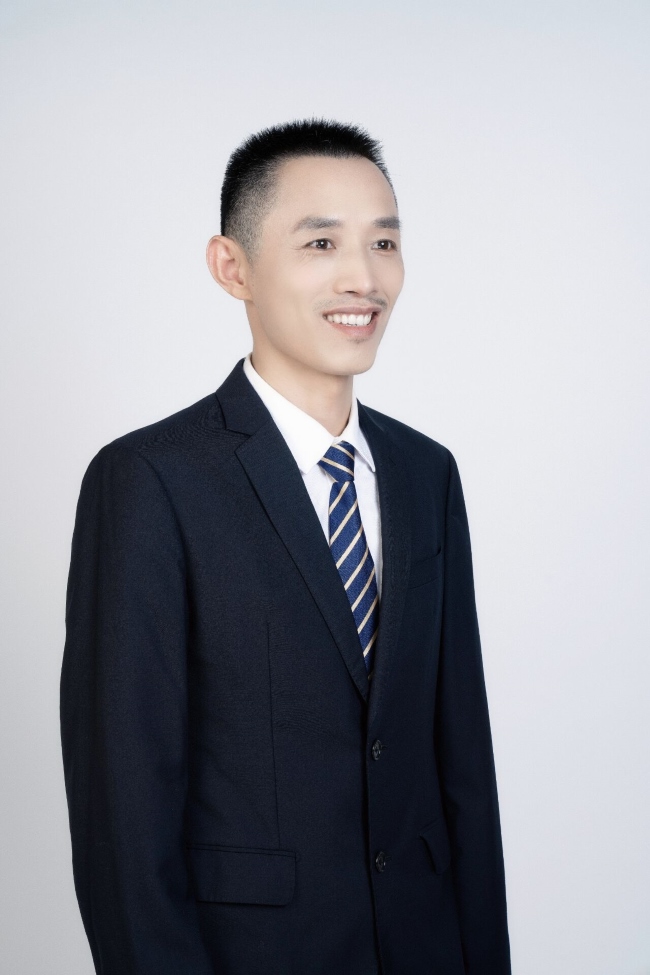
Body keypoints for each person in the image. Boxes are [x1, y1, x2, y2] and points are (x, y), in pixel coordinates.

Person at [60, 119, 511, 975]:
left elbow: (463, 763)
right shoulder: (149, 480)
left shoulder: (426, 473)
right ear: (233, 268)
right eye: (321, 243)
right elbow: (124, 806)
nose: (364, 277)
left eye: (385, 242)